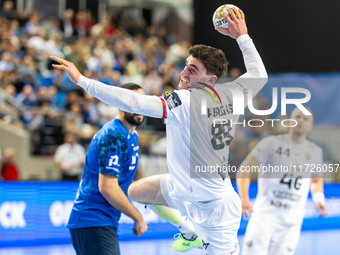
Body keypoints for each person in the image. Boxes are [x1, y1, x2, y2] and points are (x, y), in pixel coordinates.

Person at [51, 7, 267, 254]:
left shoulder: (186, 100)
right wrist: (242, 36)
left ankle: (196, 233)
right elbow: (259, 76)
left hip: (214, 210)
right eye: (187, 65)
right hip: (184, 190)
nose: (184, 73)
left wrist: (82, 80)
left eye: (193, 70)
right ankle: (188, 232)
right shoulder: (233, 93)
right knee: (136, 191)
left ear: (210, 79)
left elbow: (134, 102)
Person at [67, 83, 148, 255]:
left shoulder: (131, 135)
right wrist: (137, 217)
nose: (138, 106)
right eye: (132, 101)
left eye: (142, 101)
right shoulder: (114, 135)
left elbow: (122, 181)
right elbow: (107, 187)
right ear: (119, 104)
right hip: (93, 220)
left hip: (102, 221)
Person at [237, 107, 327, 255]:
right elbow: (244, 169)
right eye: (297, 117)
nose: (300, 121)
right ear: (290, 121)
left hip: (291, 223)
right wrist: (244, 199)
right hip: (264, 217)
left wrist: (319, 199)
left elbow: (316, 180)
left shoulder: (315, 152)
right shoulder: (271, 143)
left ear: (310, 125)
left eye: (305, 119)